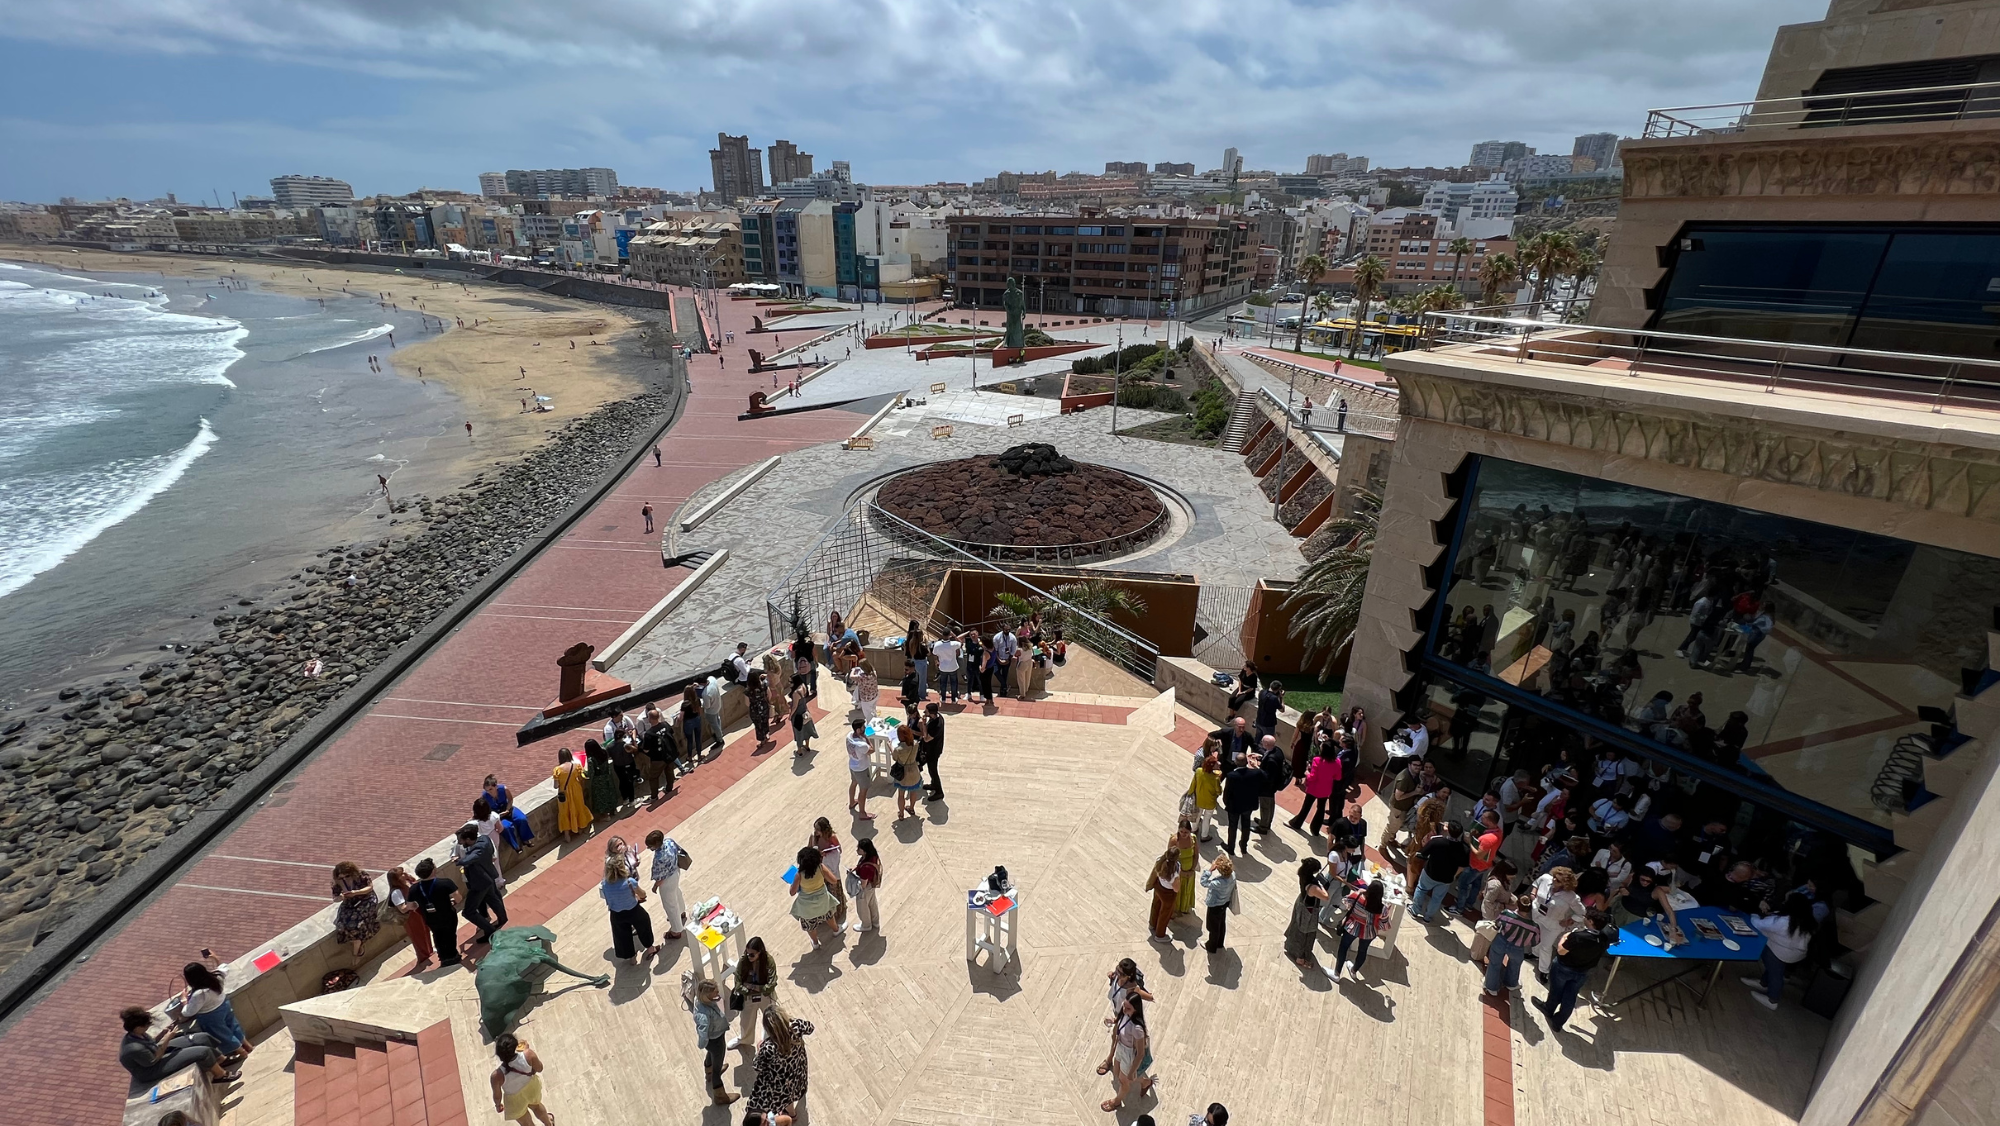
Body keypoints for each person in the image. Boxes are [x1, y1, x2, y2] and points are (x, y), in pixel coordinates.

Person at [1533, 911, 1617, 1032]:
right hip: (1582, 972)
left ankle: (1548, 1008)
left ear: (1591, 922)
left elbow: (1561, 951)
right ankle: (1558, 1022)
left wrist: (1565, 937)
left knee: (1556, 991)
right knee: (1570, 997)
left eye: (1586, 918)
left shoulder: (1579, 936)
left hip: (1564, 968)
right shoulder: (1604, 939)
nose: (1584, 918)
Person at [119, 1007, 236, 1093]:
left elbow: (152, 1043)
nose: (148, 1027)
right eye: (146, 1025)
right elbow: (154, 1059)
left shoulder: (138, 1034)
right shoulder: (133, 1048)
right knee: (202, 1052)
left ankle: (220, 1059)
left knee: (202, 1038)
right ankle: (219, 1075)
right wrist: (168, 1038)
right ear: (138, 1027)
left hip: (156, 1052)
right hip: (152, 1069)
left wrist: (163, 1034)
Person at [1743, 892, 1817, 1010]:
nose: (1783, 903)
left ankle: (1772, 1000)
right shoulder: (1807, 921)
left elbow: (1758, 924)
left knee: (1775, 973)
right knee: (1776, 970)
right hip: (1796, 954)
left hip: (1782, 952)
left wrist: (1754, 915)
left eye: (1786, 901)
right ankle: (1764, 983)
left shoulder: (1785, 921)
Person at [747, 1004, 815, 1120]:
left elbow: (757, 1066)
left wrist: (759, 1050)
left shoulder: (768, 1047)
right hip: (798, 1068)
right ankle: (792, 1114)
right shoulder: (796, 1026)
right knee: (794, 1089)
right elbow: (810, 1028)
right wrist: (793, 1021)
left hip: (780, 1079)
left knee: (786, 1095)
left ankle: (791, 1115)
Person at [177, 956, 249, 1061]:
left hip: (210, 1016)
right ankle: (248, 1046)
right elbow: (224, 967)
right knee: (234, 1026)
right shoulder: (217, 977)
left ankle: (242, 1053)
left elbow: (188, 1012)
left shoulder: (199, 993)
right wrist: (214, 957)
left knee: (224, 1035)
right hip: (224, 1006)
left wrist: (184, 1000)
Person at [690, 979, 743, 1105]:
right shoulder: (704, 1014)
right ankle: (720, 1095)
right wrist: (702, 1043)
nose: (718, 992)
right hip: (715, 1040)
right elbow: (703, 1031)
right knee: (717, 1069)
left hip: (713, 1039)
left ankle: (708, 1070)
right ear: (707, 994)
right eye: (715, 991)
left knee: (710, 1054)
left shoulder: (701, 1000)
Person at [600, 853, 658, 965]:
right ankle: (650, 948)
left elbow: (608, 899)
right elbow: (642, 894)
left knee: (622, 935)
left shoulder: (605, 884)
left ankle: (631, 957)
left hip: (616, 913)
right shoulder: (629, 882)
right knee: (644, 925)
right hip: (633, 910)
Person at [457, 824, 508, 946]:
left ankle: (490, 931)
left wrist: (458, 860)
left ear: (469, 840)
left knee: (468, 912)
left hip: (479, 883)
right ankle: (503, 918)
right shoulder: (485, 839)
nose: (459, 842)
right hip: (488, 878)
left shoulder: (478, 850)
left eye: (461, 840)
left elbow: (467, 860)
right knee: (493, 899)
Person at [1483, 893, 1541, 999]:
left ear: (1518, 905)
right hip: (1518, 948)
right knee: (1515, 966)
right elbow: (1535, 941)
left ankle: (1492, 988)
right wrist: (1524, 942)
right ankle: (1511, 983)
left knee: (1495, 964)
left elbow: (1497, 923)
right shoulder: (1534, 927)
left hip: (1501, 941)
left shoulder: (1506, 914)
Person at [1103, 993, 1155, 1113]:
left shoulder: (1137, 1029)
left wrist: (1132, 1071)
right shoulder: (1125, 1012)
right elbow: (1120, 1019)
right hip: (1121, 1047)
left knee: (1123, 1080)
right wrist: (1113, 1020)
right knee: (1117, 1072)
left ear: (1135, 1009)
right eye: (1124, 1006)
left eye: (1128, 1008)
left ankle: (1116, 1102)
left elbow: (1140, 1053)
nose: (1124, 1009)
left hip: (1129, 1053)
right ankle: (1145, 1082)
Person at [1411, 821, 1470, 922]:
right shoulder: (1464, 849)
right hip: (1446, 878)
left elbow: (1422, 854)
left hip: (1430, 873)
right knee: (1437, 898)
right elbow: (1462, 866)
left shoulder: (1436, 841)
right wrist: (1454, 876)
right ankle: (1427, 917)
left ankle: (1415, 911)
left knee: (1421, 889)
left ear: (1448, 830)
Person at [489, 1033, 553, 1126]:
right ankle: (549, 1123)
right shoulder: (528, 1054)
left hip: (514, 1100)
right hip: (531, 1089)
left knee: (525, 1122)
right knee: (537, 1107)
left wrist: (498, 1105)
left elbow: (497, 1096)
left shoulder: (496, 1076)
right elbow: (540, 1068)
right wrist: (527, 1050)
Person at [409, 858, 462, 968]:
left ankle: (443, 956)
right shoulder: (445, 883)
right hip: (447, 915)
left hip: (430, 917)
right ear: (433, 870)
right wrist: (453, 902)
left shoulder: (414, 888)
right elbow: (458, 897)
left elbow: (410, 906)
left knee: (437, 935)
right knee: (450, 934)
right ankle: (452, 956)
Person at [1336, 879, 1391, 978]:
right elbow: (1384, 926)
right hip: (1369, 932)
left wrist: (1358, 892)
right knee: (1362, 951)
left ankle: (1337, 973)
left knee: (1343, 948)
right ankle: (1354, 971)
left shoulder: (1358, 897)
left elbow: (1345, 902)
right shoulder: (1383, 909)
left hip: (1353, 927)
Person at [789, 845, 842, 949]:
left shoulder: (798, 875)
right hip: (822, 900)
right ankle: (836, 930)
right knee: (828, 916)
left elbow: (792, 892)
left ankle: (815, 943)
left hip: (806, 906)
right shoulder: (821, 868)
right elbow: (834, 880)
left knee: (810, 926)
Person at [385, 866, 435, 970]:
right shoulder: (396, 892)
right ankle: (423, 957)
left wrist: (409, 877)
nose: (404, 874)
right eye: (401, 874)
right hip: (411, 917)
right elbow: (402, 909)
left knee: (425, 931)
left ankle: (429, 951)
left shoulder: (407, 882)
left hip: (419, 912)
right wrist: (412, 903)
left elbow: (417, 884)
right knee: (417, 937)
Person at [1284, 858, 1331, 967]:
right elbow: (1326, 897)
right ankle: (1300, 958)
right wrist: (1322, 886)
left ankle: (1291, 946)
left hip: (1301, 902)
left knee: (1297, 927)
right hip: (1309, 911)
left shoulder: (1302, 874)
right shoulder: (1313, 887)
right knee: (1305, 933)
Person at [1456, 811, 1503, 918]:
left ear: (1489, 821)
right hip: (1484, 865)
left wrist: (1469, 842)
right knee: (1476, 885)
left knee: (1463, 884)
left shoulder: (1488, 839)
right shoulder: (1498, 832)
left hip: (1475, 865)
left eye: (1483, 817)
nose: (1481, 818)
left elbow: (1478, 855)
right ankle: (1469, 904)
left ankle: (1459, 908)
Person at [331, 861, 379, 960]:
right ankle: (356, 942)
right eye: (341, 878)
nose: (344, 879)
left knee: (357, 923)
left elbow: (370, 887)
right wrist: (340, 897)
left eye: (347, 876)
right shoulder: (337, 882)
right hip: (350, 901)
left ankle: (357, 949)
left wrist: (356, 892)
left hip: (366, 899)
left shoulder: (362, 875)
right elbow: (335, 898)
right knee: (340, 921)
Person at [735, 936, 777, 1050]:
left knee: (770, 1019)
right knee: (745, 1021)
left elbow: (771, 985)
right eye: (747, 953)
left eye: (752, 954)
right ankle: (744, 1039)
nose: (749, 957)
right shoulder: (743, 961)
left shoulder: (769, 961)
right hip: (748, 997)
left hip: (765, 997)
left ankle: (767, 1040)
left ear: (760, 952)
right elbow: (738, 984)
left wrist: (754, 987)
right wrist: (748, 991)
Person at [1288, 745, 1340, 834]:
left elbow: (1312, 777)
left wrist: (1307, 773)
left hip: (1314, 788)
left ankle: (1297, 823)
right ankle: (1315, 829)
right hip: (1326, 789)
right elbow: (1338, 777)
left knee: (1306, 806)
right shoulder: (1337, 762)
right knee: (1321, 808)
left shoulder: (1317, 760)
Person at [647, 830, 688, 940]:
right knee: (677, 893)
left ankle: (676, 930)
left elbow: (659, 877)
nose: (649, 848)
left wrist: (655, 886)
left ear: (655, 844)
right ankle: (682, 912)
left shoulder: (659, 858)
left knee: (670, 905)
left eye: (650, 846)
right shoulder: (669, 841)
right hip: (676, 871)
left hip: (667, 881)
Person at [1221, 751, 1264, 856]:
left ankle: (1231, 848)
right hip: (1248, 805)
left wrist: (1226, 803)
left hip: (1234, 806)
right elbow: (1263, 775)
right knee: (1246, 825)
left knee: (1233, 826)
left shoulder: (1231, 776)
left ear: (1235, 762)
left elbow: (1227, 792)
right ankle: (1243, 846)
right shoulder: (1255, 773)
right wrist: (1256, 766)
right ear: (1247, 762)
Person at [482, 775, 536, 852]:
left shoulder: (504, 789)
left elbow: (510, 800)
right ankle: (516, 846)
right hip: (497, 814)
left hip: (508, 808)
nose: (489, 792)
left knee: (522, 819)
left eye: (491, 789)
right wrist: (498, 815)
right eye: (487, 790)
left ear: (496, 786)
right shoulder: (485, 796)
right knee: (506, 827)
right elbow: (487, 810)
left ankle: (525, 839)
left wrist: (507, 809)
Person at [1200, 853, 1237, 953]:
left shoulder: (1218, 883)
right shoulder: (1233, 875)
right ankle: (1220, 943)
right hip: (1224, 903)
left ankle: (1211, 946)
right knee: (1221, 924)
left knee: (1213, 927)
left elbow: (1203, 882)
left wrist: (1210, 870)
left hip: (1215, 906)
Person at [1144, 845, 1182, 942]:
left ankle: (1152, 924)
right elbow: (1176, 889)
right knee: (1164, 914)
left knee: (1155, 905)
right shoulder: (1175, 873)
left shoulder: (1159, 861)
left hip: (1158, 887)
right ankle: (1160, 935)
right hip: (1168, 894)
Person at [1254, 734, 1288, 834]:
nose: (1261, 744)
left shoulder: (1271, 760)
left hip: (1267, 787)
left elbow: (1267, 776)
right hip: (1273, 786)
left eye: (1262, 743)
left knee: (1265, 806)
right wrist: (1261, 759)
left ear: (1266, 744)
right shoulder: (1277, 750)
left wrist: (1256, 767)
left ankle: (1263, 827)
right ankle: (1266, 822)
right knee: (1270, 805)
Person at [1185, 753, 1223, 841]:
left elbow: (1193, 784)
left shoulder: (1198, 771)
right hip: (1210, 802)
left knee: (1197, 816)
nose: (1219, 764)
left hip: (1199, 800)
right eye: (1216, 763)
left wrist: (1190, 795)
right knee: (1207, 819)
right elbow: (1219, 791)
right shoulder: (1216, 778)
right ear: (1212, 766)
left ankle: (1194, 830)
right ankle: (1204, 836)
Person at [850, 837, 884, 933]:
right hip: (872, 885)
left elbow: (863, 884)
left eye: (859, 848)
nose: (857, 850)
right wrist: (856, 868)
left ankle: (866, 925)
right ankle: (875, 922)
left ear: (864, 851)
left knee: (863, 907)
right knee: (872, 903)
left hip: (865, 888)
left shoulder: (866, 868)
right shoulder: (873, 857)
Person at [845, 718, 877, 820]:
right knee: (863, 790)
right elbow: (872, 750)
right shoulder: (862, 745)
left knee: (853, 783)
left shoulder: (849, 736)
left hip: (852, 766)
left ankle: (851, 802)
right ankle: (862, 813)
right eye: (863, 727)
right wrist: (866, 738)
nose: (865, 728)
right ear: (858, 730)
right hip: (862, 769)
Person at [890, 725, 924, 819]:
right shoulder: (915, 744)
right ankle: (912, 808)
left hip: (903, 773)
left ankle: (901, 814)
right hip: (914, 770)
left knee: (901, 794)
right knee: (913, 792)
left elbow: (895, 757)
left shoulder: (899, 749)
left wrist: (890, 747)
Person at [917, 701, 946, 800]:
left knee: (933, 770)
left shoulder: (937, 725)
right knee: (931, 769)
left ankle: (939, 791)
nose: (925, 712)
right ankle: (933, 784)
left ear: (931, 713)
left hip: (933, 751)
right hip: (932, 748)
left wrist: (924, 725)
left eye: (927, 711)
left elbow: (926, 738)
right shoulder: (937, 717)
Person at [931, 630, 963, 702]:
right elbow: (961, 643)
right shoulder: (954, 644)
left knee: (943, 683)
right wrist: (954, 635)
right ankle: (954, 698)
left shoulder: (937, 644)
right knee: (954, 683)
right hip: (953, 667)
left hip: (943, 667)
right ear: (949, 635)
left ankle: (943, 698)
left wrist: (936, 661)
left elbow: (934, 654)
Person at [902, 620, 930, 701]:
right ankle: (921, 695)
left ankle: (911, 693)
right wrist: (927, 644)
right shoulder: (922, 645)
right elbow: (928, 653)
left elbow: (905, 652)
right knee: (922, 680)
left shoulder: (909, 643)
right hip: (921, 663)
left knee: (912, 679)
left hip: (912, 662)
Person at [847, 658, 880, 723]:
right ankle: (875, 720)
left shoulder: (862, 677)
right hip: (875, 695)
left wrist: (853, 670)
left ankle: (871, 727)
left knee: (868, 715)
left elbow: (851, 676)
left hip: (866, 699)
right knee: (873, 710)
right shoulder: (873, 672)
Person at [745, 668, 772, 744]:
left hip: (754, 710)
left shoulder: (748, 691)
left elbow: (747, 703)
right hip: (764, 706)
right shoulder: (764, 686)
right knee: (765, 721)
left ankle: (762, 740)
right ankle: (766, 734)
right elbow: (769, 695)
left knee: (758, 725)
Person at [789, 684, 816, 756]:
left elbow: (794, 706)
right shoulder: (803, 686)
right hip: (805, 712)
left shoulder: (795, 693)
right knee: (807, 729)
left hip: (798, 715)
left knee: (798, 732)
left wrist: (790, 715)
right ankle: (807, 746)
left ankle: (799, 751)